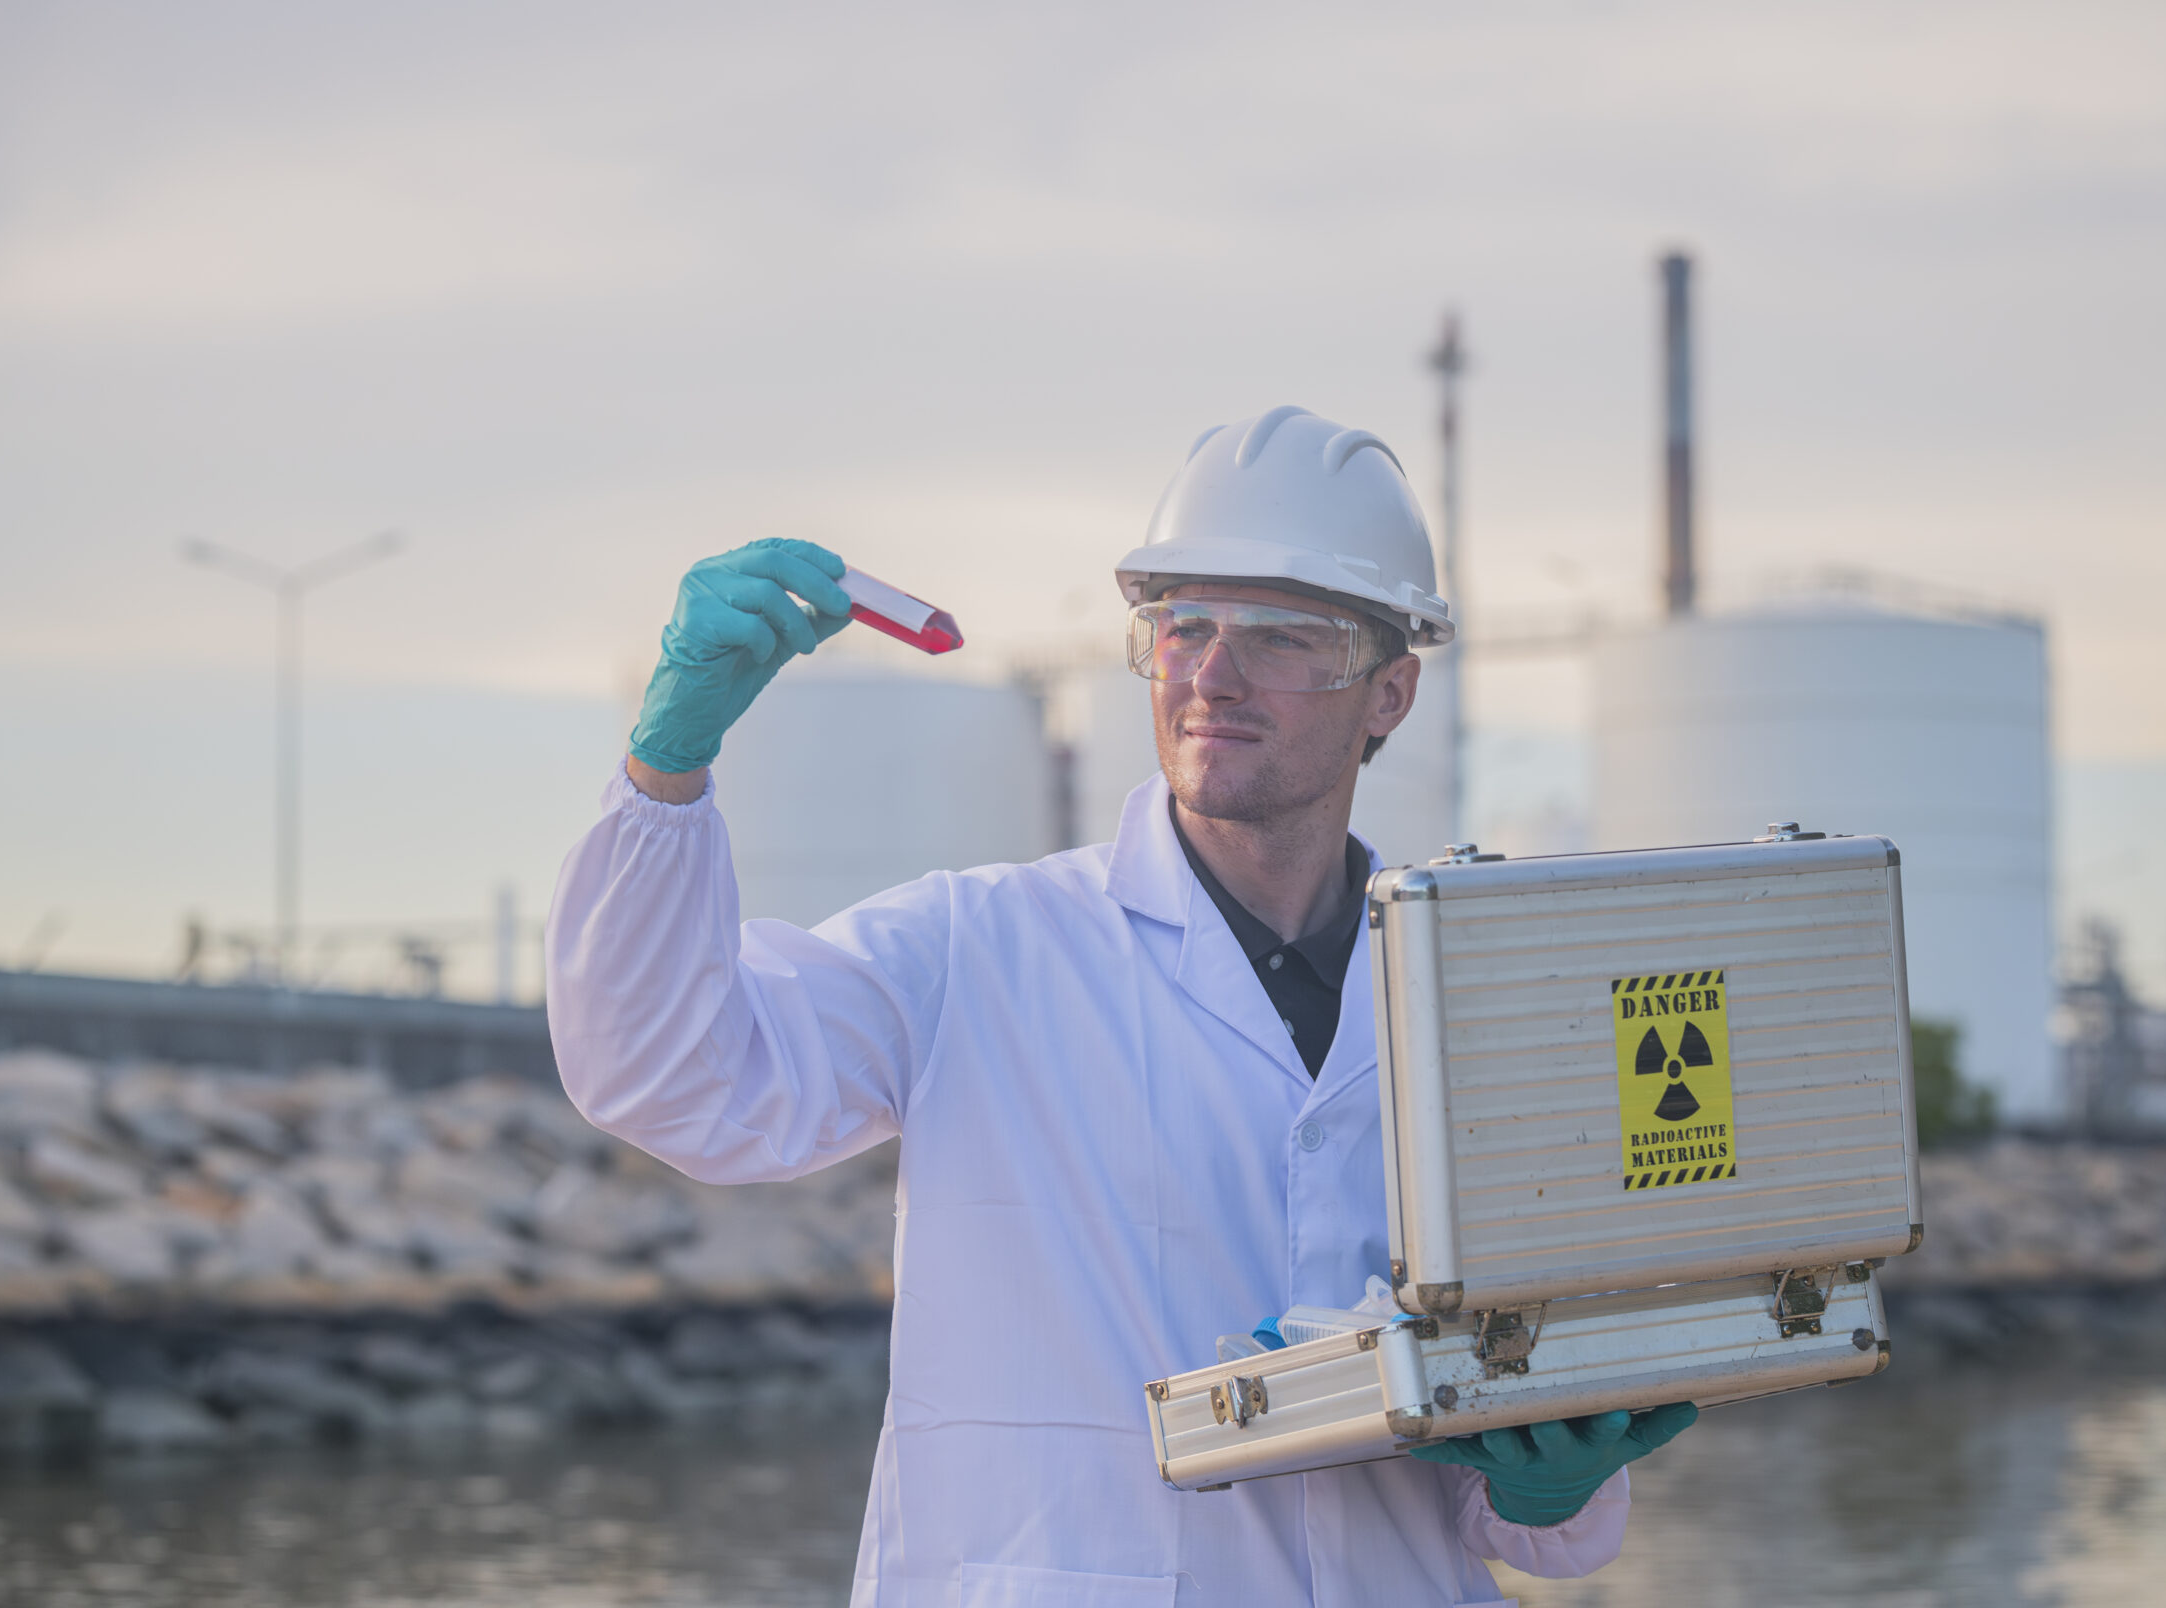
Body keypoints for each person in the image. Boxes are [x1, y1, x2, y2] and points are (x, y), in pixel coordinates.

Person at [548, 405, 1695, 1607]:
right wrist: (664, 772)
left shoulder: (1479, 1004)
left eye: (1283, 637)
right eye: (1181, 624)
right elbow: (672, 1080)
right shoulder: (973, 950)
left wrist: (1544, 1483)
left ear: (1390, 694)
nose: (1212, 674)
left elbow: (1505, 1479)